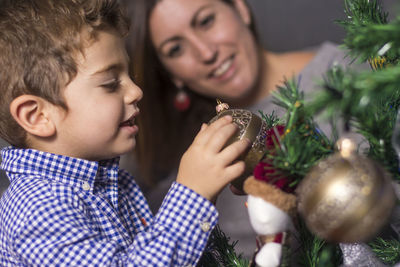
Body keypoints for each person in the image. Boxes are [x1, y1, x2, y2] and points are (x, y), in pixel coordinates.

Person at [0, 0, 251, 266]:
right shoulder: (38, 209)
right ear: (36, 116)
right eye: (110, 84)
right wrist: (194, 193)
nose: (136, 92)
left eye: (129, 76)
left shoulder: (105, 184)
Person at [122, 0, 374, 259]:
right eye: (176, 49)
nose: (206, 52)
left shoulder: (348, 73)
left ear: (241, 8)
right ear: (171, 74)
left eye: (206, 21)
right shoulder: (185, 164)